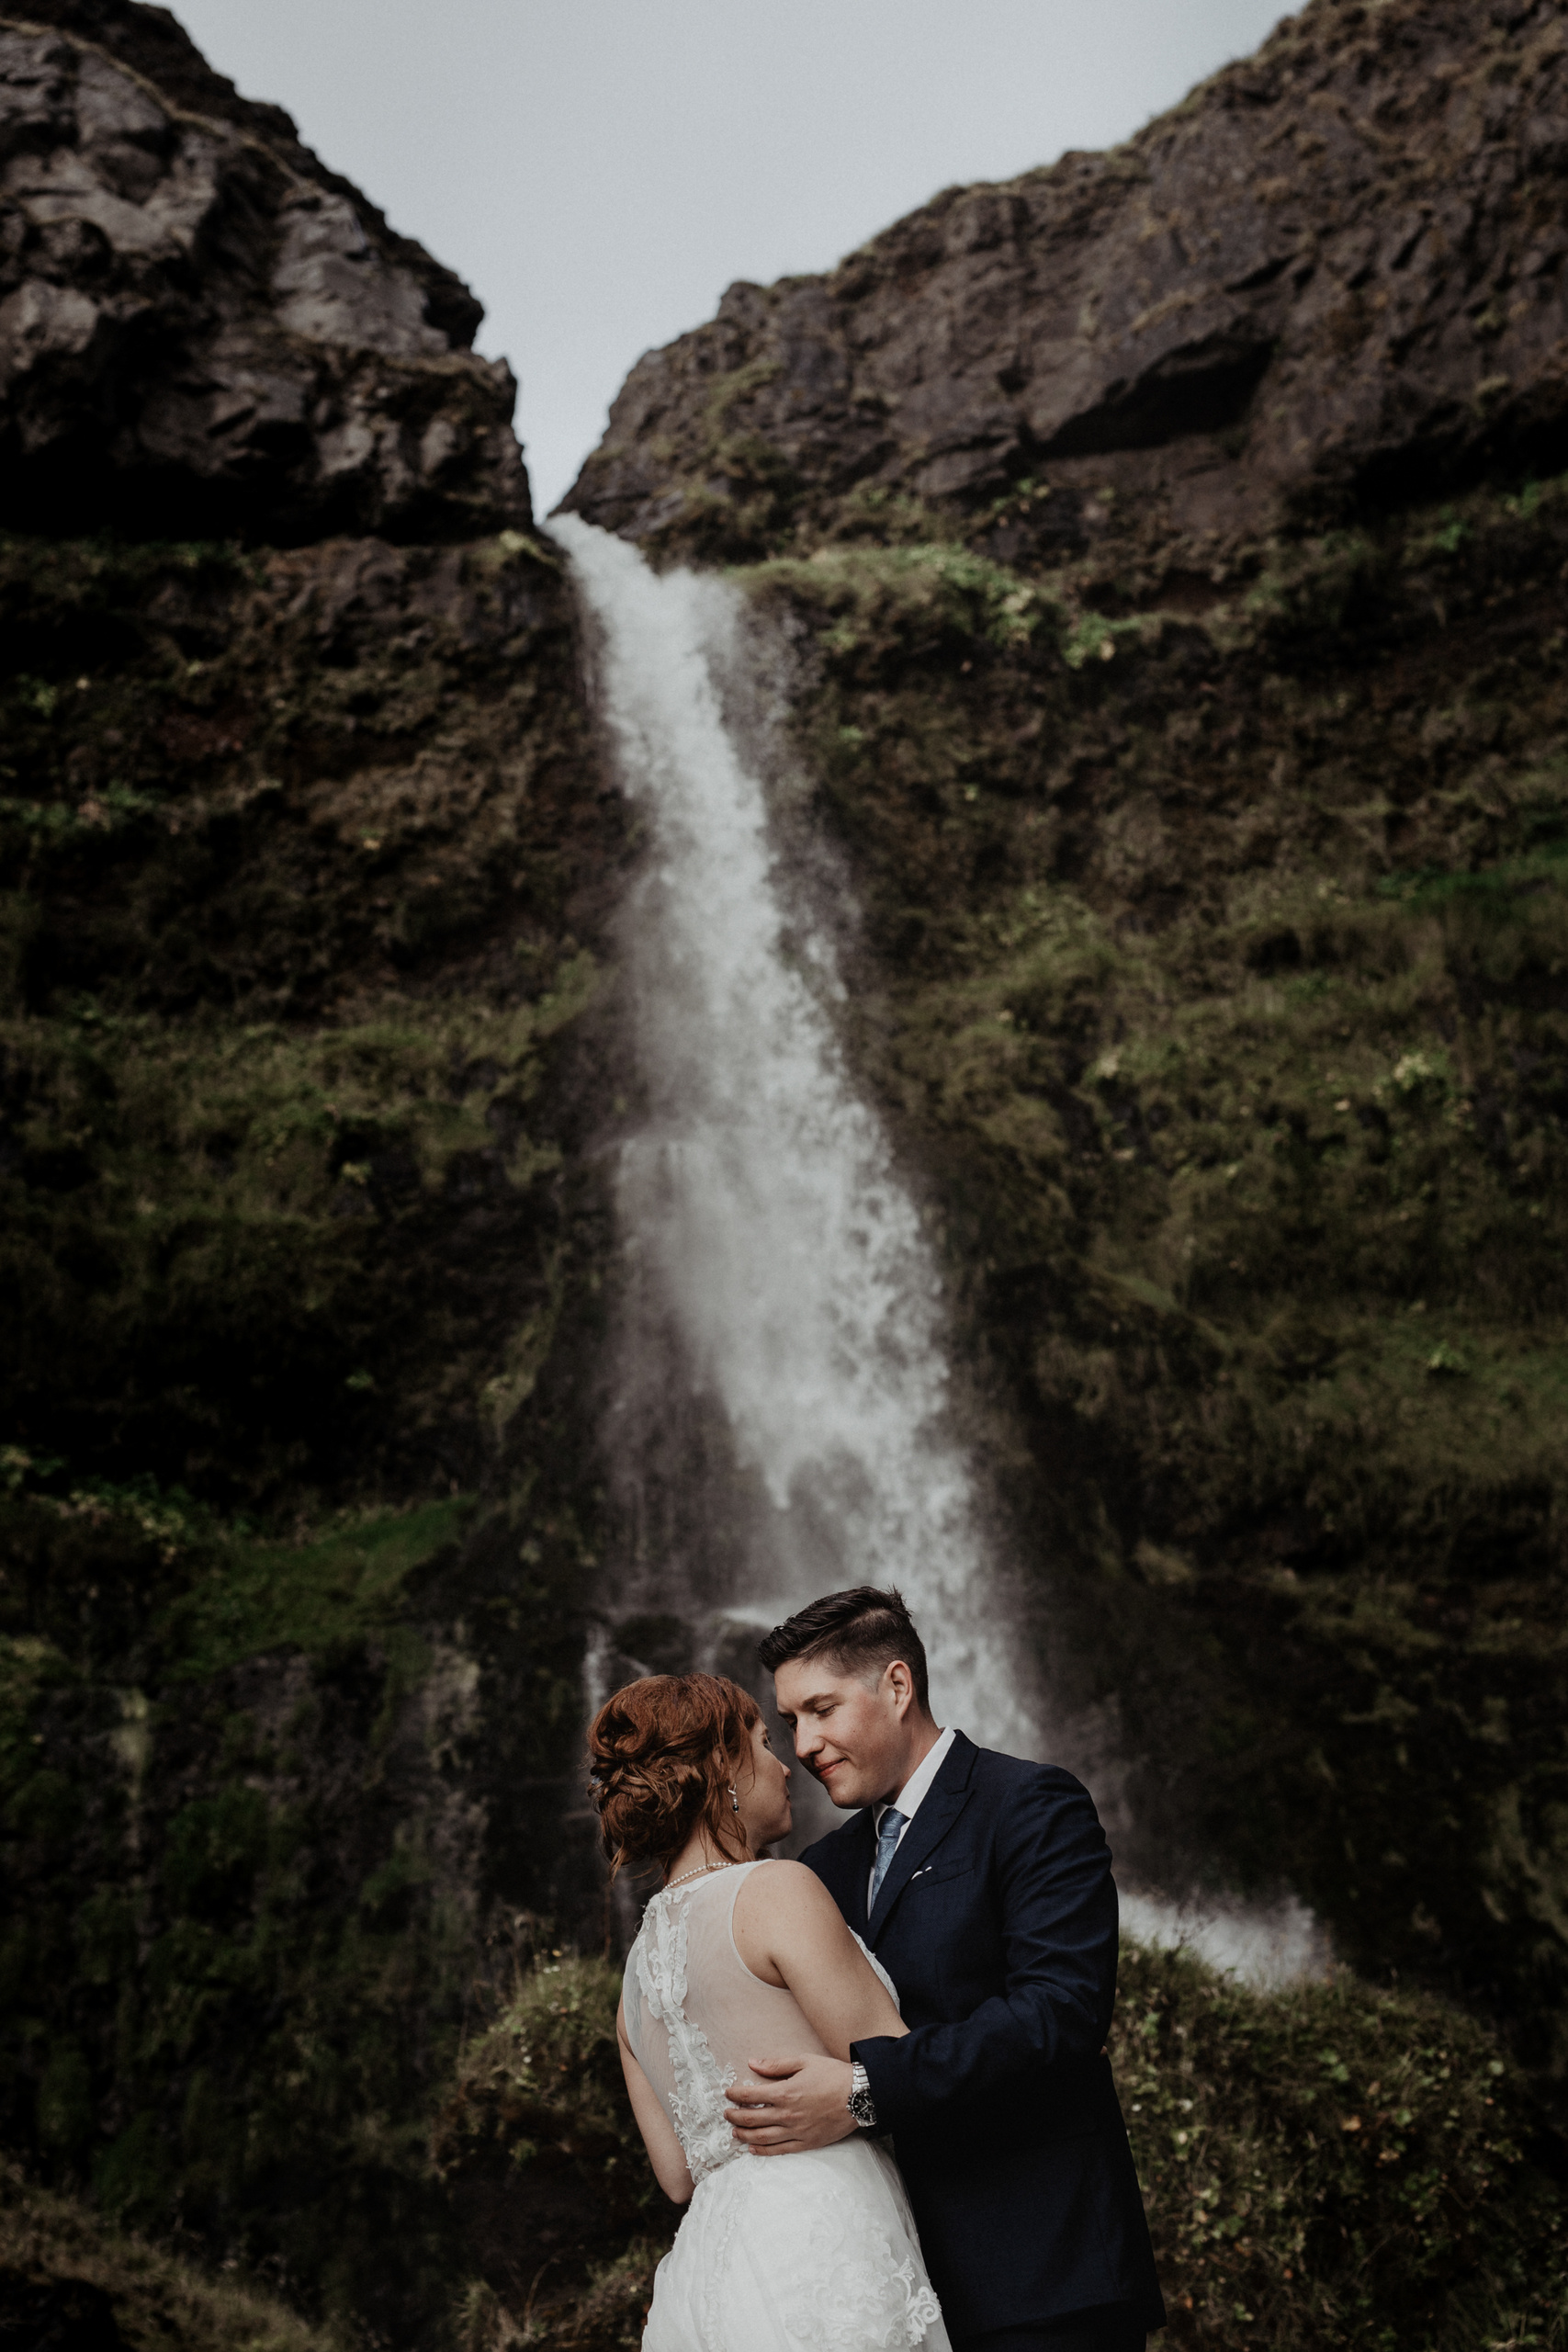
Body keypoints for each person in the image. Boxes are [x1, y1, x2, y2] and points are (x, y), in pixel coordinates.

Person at [725, 1587, 1166, 2352]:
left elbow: (1059, 2013)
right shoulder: (820, 1868)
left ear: (897, 1686)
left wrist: (865, 2089)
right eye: (791, 1721)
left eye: (822, 1709)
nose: (804, 1745)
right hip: (888, 2283)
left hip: (1041, 2271)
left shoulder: (1029, 1804)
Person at [590, 1668, 953, 2351]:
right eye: (762, 1742)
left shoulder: (634, 1979)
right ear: (721, 1768)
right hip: (823, 2238)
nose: (787, 1766)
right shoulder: (776, 1889)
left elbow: (677, 2176)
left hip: (710, 2273)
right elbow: (901, 2066)